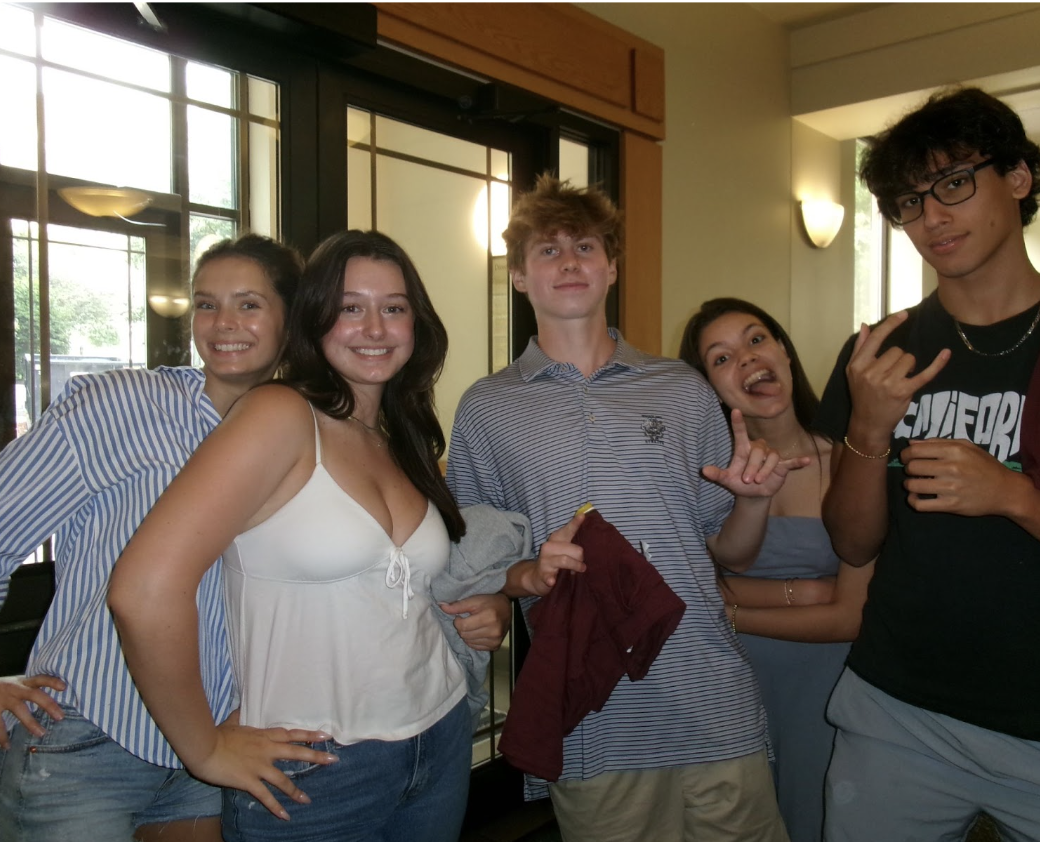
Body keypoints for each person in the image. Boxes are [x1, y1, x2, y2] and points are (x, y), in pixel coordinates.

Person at [109, 230, 508, 842]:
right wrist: (206, 749)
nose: (374, 327)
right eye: (351, 307)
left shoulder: (402, 433)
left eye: (394, 308)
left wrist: (490, 602)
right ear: (316, 318)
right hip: (316, 767)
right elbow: (142, 590)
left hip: (439, 735)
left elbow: (397, 584)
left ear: (416, 324)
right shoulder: (279, 415)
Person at [446, 174, 797, 842]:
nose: (570, 262)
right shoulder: (487, 408)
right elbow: (474, 561)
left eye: (584, 246)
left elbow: (727, 549)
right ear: (518, 276)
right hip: (593, 710)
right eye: (547, 252)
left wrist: (752, 504)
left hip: (710, 692)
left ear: (610, 265)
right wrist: (524, 576)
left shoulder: (680, 387)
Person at [816, 86, 1040, 841]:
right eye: (908, 201)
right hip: (899, 710)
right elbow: (850, 544)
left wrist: (1016, 497)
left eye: (952, 183)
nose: (930, 217)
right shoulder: (876, 354)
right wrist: (869, 431)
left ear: (1016, 178)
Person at [0, 234, 338, 842]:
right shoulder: (122, 406)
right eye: (206, 305)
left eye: (249, 304)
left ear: (293, 319)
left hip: (218, 738)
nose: (223, 324)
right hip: (89, 736)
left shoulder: (310, 432)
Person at [678, 298, 873, 842]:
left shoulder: (853, 464)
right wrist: (805, 592)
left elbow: (851, 616)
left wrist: (733, 606)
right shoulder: (709, 476)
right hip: (727, 685)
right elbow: (691, 589)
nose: (745, 359)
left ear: (784, 352)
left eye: (757, 339)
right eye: (720, 358)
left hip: (826, 688)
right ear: (709, 388)